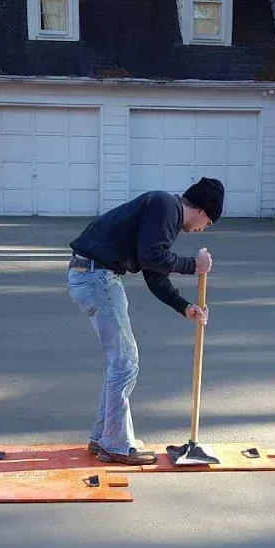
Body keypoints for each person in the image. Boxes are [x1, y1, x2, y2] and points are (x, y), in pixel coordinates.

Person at [67, 177, 224, 465]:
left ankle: (103, 436)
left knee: (122, 361)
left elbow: (154, 273)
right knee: (125, 362)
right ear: (202, 211)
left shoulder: (164, 214)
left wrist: (184, 306)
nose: (202, 229)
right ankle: (115, 444)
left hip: (93, 275)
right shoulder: (165, 205)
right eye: (208, 223)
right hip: (96, 276)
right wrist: (193, 265)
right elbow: (152, 257)